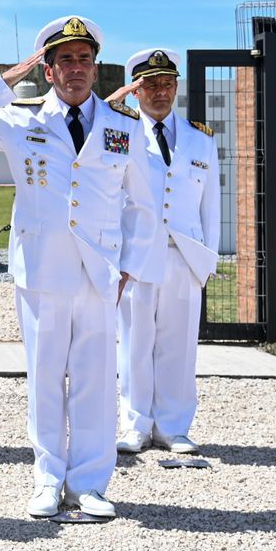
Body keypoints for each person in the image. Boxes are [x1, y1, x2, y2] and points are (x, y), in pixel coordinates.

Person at [0, 15, 159, 519]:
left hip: (100, 271)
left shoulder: (122, 128)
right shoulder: (21, 119)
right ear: (48, 70)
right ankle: (46, 477)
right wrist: (5, 80)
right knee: (45, 379)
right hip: (42, 269)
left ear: (95, 67)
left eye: (85, 60)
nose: (77, 69)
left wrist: (129, 263)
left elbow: (143, 205)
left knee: (94, 380)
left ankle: (89, 483)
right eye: (65, 60)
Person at [107, 48, 219, 456]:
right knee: (135, 341)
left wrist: (207, 258)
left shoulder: (200, 138)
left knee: (179, 344)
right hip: (137, 256)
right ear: (136, 91)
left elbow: (212, 204)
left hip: (185, 255)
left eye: (167, 84)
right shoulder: (120, 132)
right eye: (150, 85)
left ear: (177, 87)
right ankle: (135, 423)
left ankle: (174, 426)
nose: (160, 92)